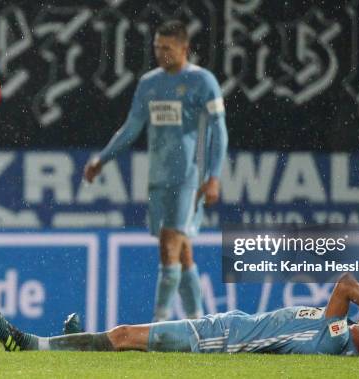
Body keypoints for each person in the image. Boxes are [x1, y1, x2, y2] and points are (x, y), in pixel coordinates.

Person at [83, 20, 228, 322]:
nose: (161, 53)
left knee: (169, 242)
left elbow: (220, 132)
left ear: (185, 48)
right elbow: (131, 127)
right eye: (157, 47)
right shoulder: (149, 83)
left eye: (168, 48)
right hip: (158, 178)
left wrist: (213, 176)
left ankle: (158, 324)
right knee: (182, 250)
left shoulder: (203, 82)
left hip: (191, 178)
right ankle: (197, 322)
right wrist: (103, 159)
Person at [0, 274, 359, 356]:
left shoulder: (338, 338)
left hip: (222, 337)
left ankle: (29, 343)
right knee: (122, 339)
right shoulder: (353, 329)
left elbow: (347, 284)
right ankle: (82, 342)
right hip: (228, 325)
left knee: (122, 334)